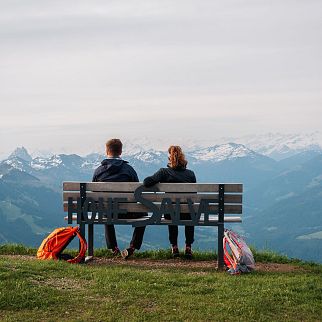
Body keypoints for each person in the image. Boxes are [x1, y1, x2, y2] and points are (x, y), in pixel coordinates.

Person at [92, 138, 145, 259]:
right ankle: (132, 247)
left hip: (108, 213)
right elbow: (137, 192)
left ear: (106, 151)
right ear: (120, 151)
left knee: (105, 209)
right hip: (129, 212)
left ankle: (113, 247)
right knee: (144, 215)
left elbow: (94, 193)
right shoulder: (129, 169)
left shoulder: (98, 171)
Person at [143, 145, 196, 259]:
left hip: (170, 213)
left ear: (169, 158)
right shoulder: (190, 174)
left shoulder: (164, 172)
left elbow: (146, 182)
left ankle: (174, 246)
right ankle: (188, 247)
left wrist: (159, 180)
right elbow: (194, 195)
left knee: (171, 210)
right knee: (189, 211)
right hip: (188, 212)